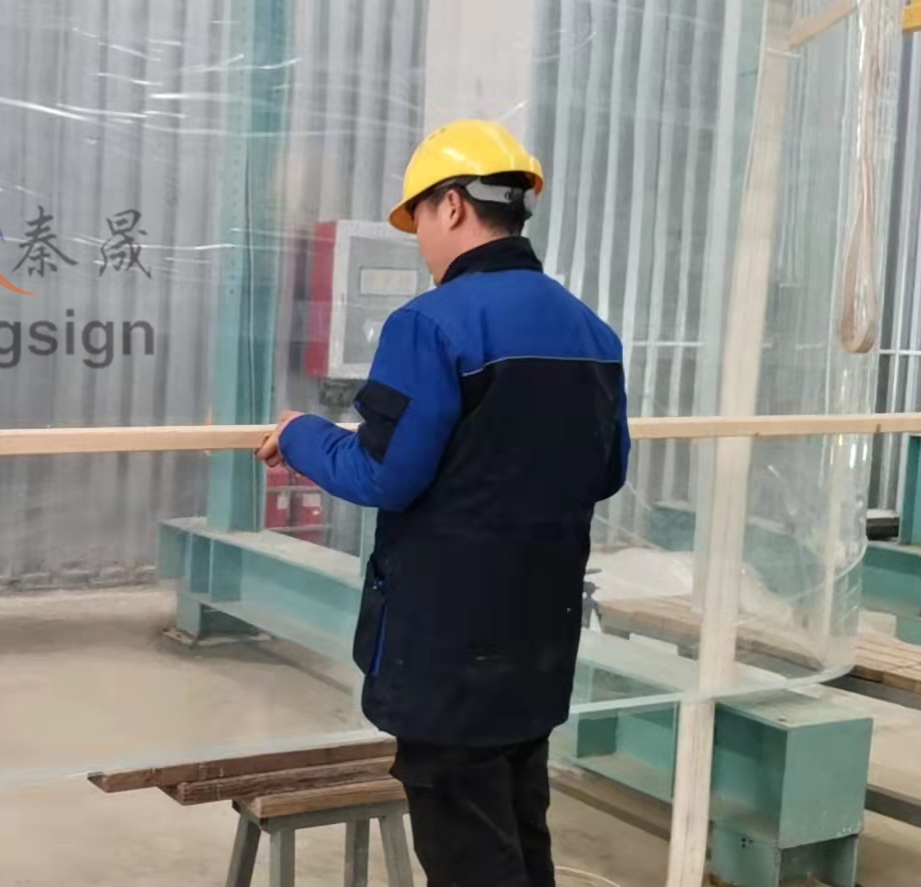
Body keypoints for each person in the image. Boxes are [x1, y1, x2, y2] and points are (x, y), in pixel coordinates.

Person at [256, 119, 630, 887]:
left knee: (469, 858)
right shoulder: (592, 332)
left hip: (449, 661)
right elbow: (607, 471)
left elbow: (382, 473)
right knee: (520, 836)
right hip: (539, 645)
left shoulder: (429, 324)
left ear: (452, 205)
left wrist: (299, 435)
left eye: (419, 218)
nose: (420, 240)